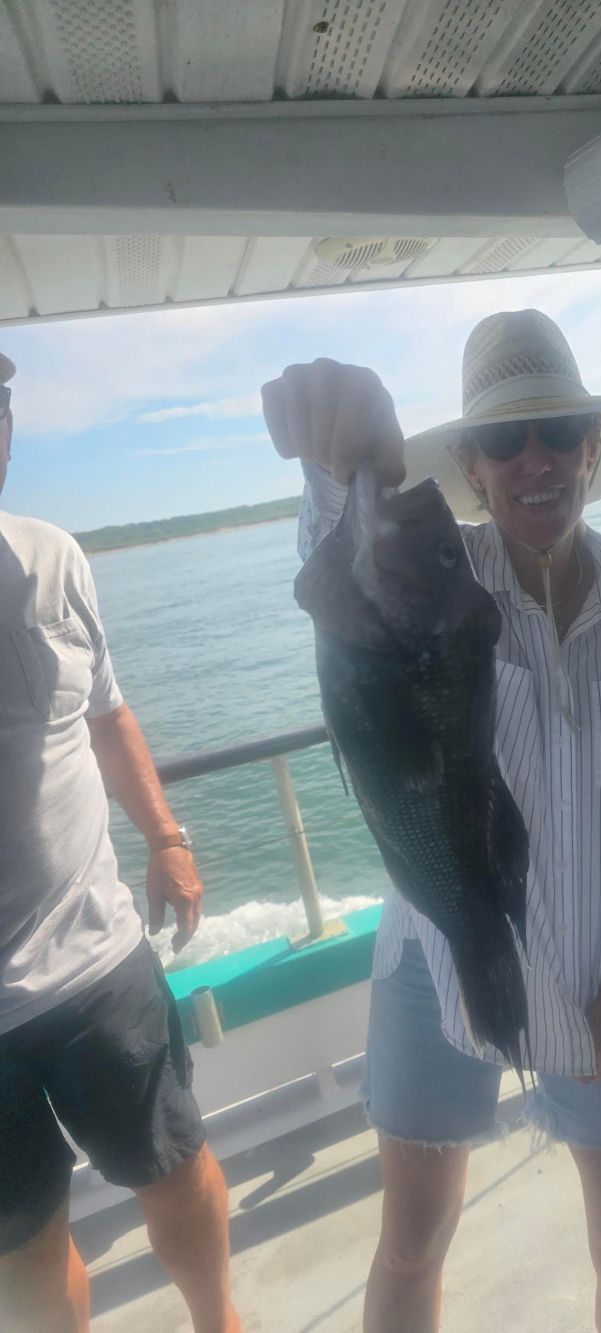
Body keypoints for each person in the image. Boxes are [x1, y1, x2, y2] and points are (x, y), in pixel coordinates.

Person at [262, 309, 601, 1333]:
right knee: (413, 1243)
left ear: (596, 444)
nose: (534, 458)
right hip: (433, 955)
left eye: (558, 430)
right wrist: (345, 460)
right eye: (504, 439)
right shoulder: (440, 583)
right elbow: (347, 572)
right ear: (472, 467)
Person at [0, 352, 241, 1333]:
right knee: (25, 1245)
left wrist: (167, 836)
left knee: (177, 1171)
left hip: (99, 960)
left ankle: (221, 1322)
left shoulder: (54, 557)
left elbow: (106, 714)